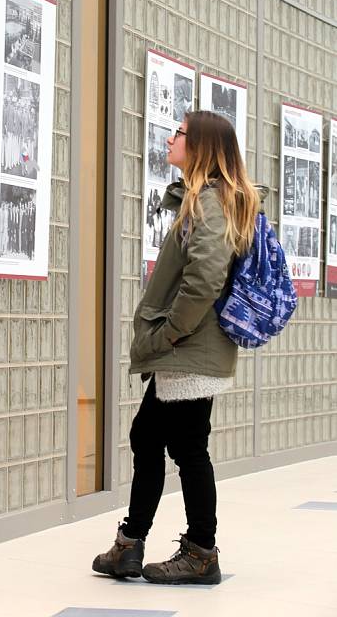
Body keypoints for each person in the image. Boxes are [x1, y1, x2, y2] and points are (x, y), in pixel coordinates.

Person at [93, 110, 263, 586]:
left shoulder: (210, 204)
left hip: (189, 347)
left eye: (180, 133)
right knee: (151, 437)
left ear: (202, 145)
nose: (171, 138)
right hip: (191, 348)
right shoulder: (205, 199)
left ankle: (199, 553)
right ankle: (131, 545)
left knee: (183, 446)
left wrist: (168, 332)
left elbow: (205, 278)